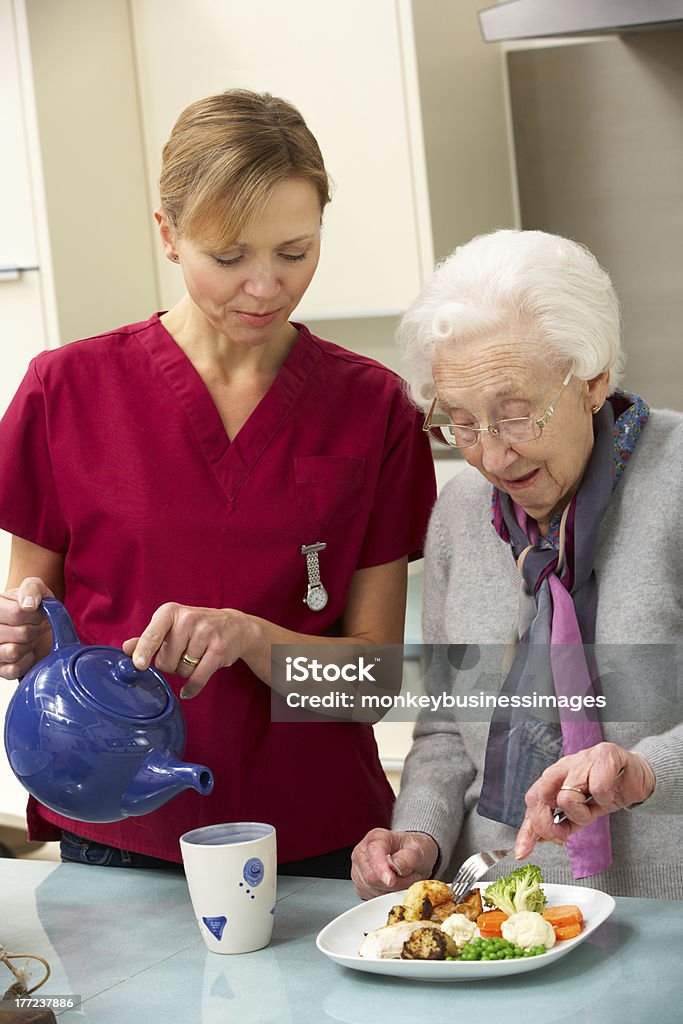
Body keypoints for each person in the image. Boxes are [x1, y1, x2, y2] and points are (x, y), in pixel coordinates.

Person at [0, 90, 436, 876]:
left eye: (294, 252)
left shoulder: (372, 409)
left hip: (317, 837)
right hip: (116, 827)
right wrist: (22, 641)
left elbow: (370, 685)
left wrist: (253, 639)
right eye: (229, 257)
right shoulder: (64, 391)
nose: (265, 287)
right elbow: (36, 628)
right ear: (168, 235)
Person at [352, 229, 682, 899]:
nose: (492, 459)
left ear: (592, 379)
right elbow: (446, 726)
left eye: (515, 415)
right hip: (500, 911)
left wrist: (645, 771)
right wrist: (420, 836)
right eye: (463, 424)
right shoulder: (458, 516)